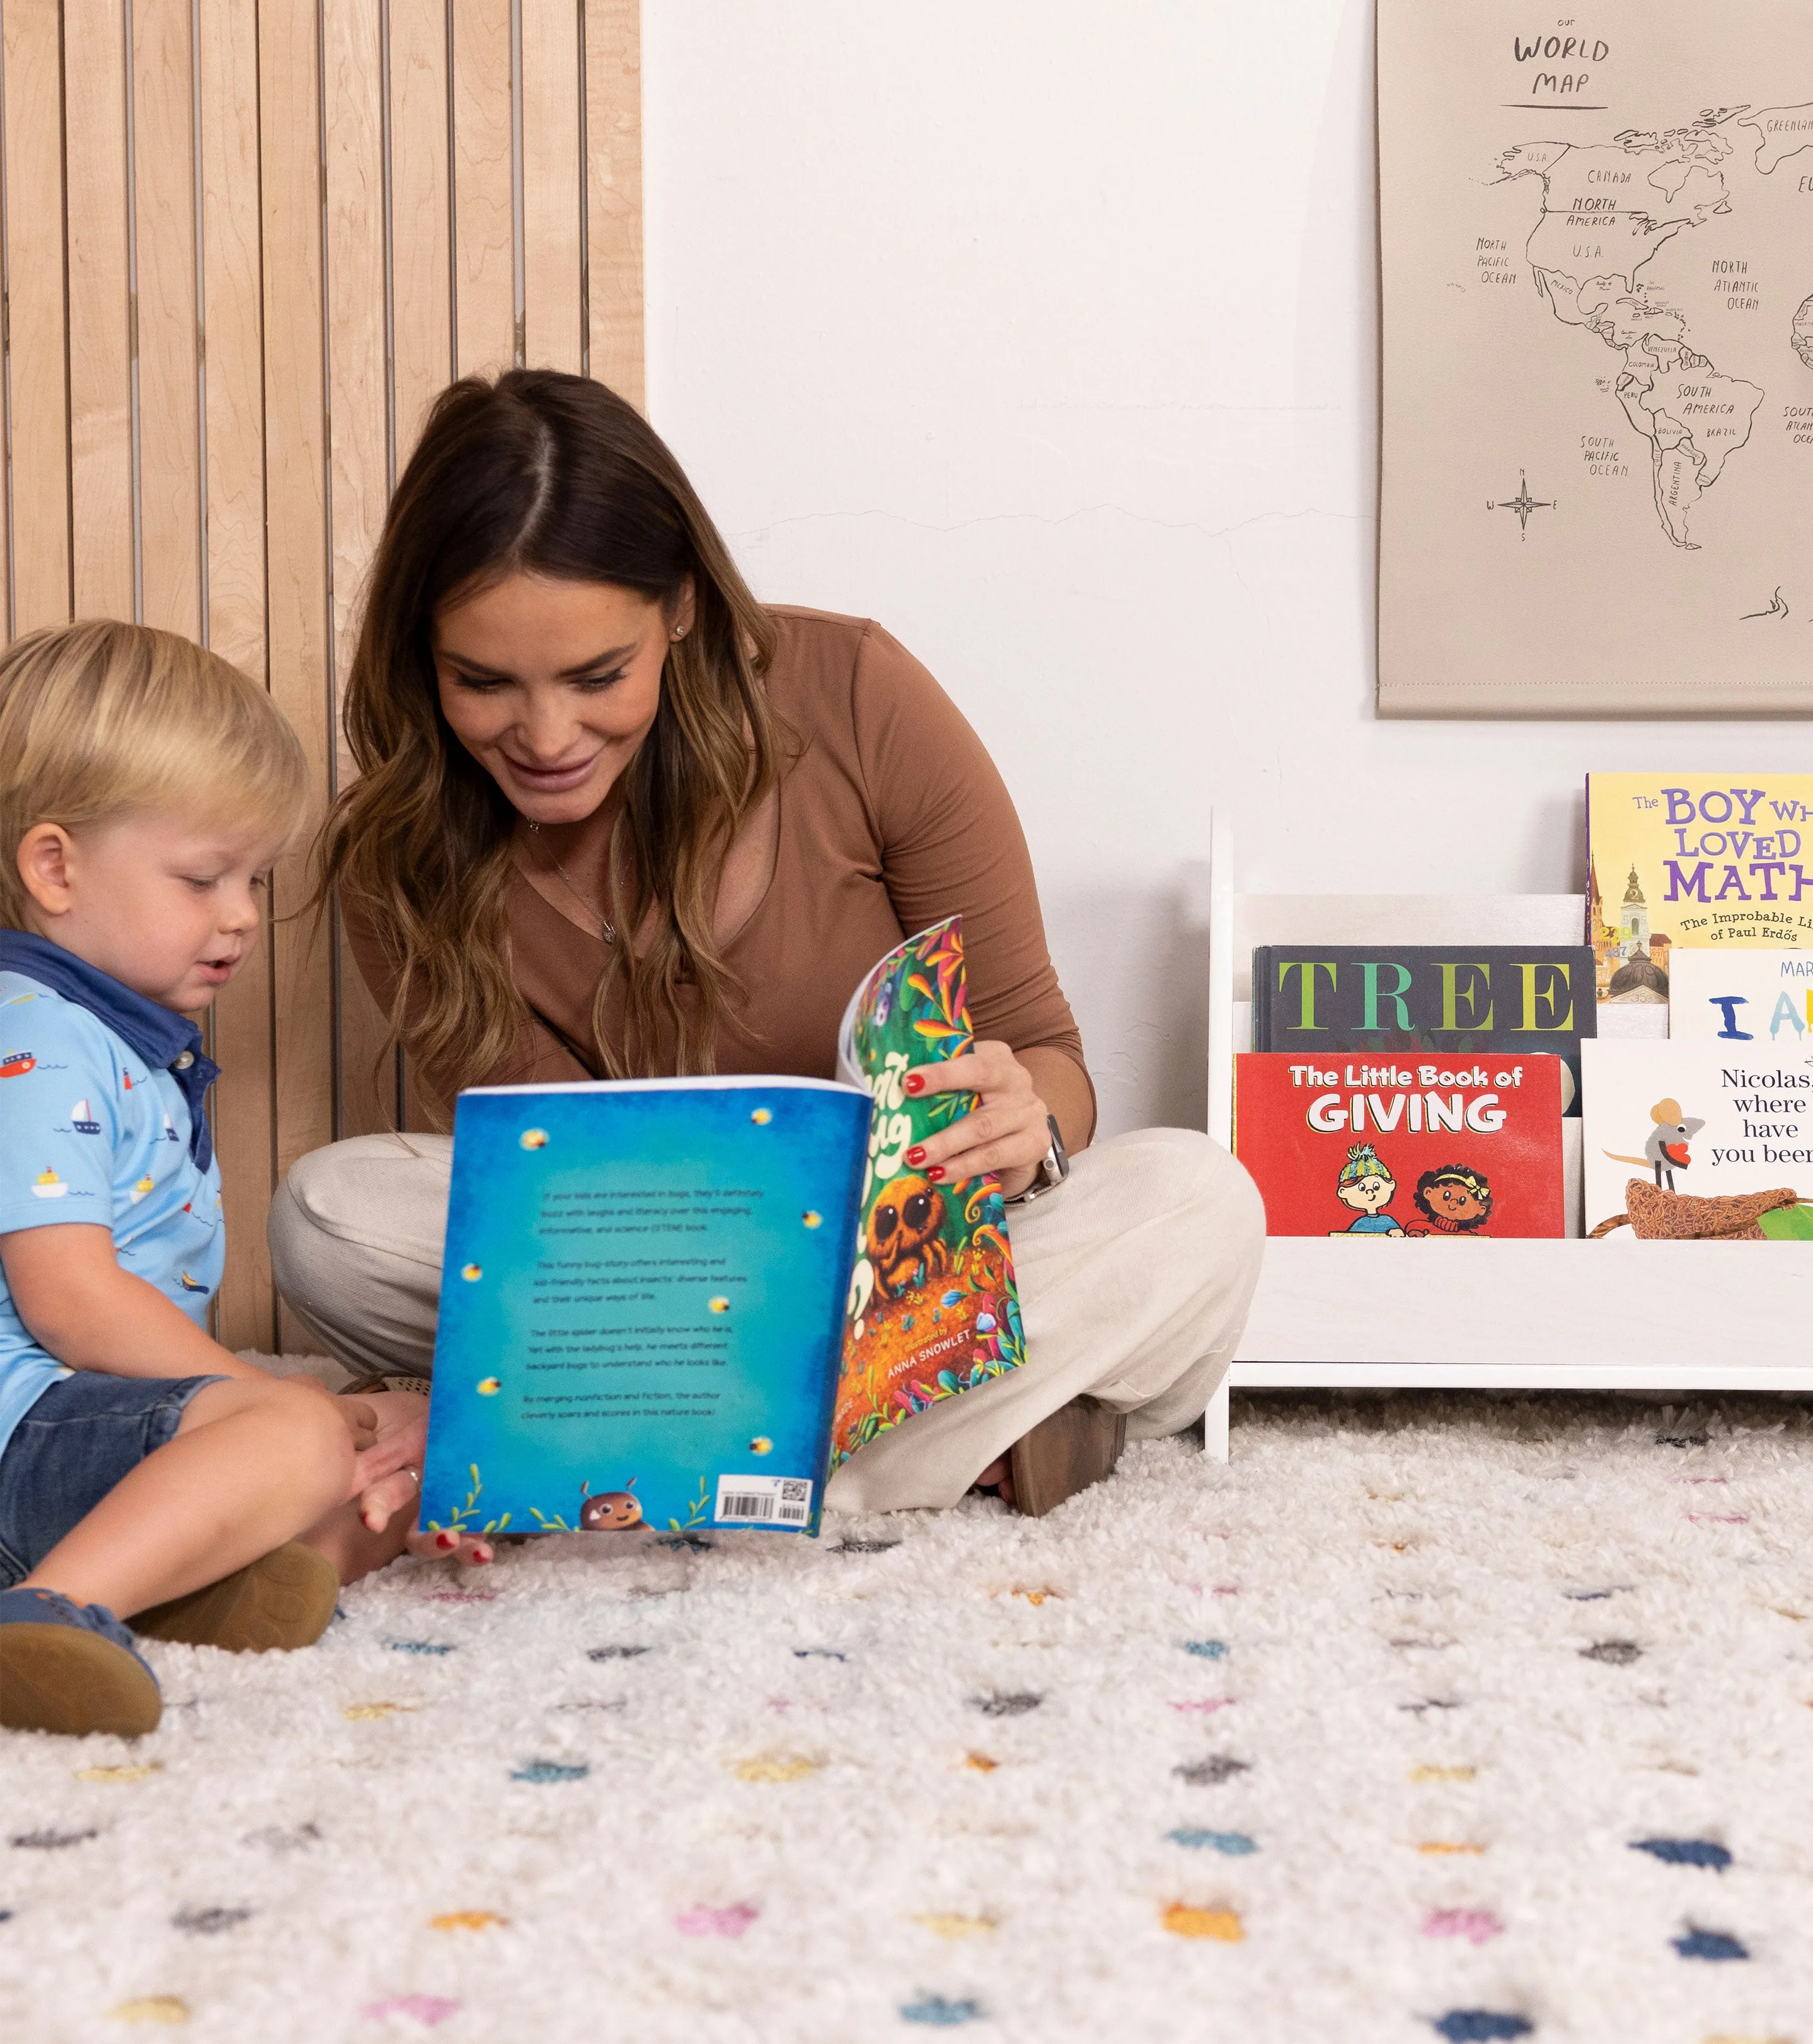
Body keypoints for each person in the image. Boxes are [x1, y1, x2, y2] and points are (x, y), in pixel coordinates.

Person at [269, 370, 1264, 1517]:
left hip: (910, 1265)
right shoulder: (404, 853)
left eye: (600, 676)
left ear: (682, 609)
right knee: (328, 1215)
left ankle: (656, 1459)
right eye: (482, 683)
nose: (544, 738)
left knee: (1199, 1200)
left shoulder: (857, 698)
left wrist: (1025, 1122)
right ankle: (938, 1438)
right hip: (646, 1284)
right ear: (421, 654)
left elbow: (1043, 1050)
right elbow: (543, 1203)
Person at [0, 624, 424, 1735]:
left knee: (399, 1450)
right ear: (54, 868)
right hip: (23, 1434)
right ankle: (51, 1610)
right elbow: (71, 1301)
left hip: (82, 1430)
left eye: (255, 879)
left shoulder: (115, 1037)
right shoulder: (34, 1037)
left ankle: (206, 1591)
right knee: (303, 1435)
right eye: (202, 879)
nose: (241, 914)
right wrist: (266, 1399)